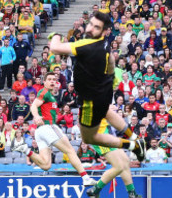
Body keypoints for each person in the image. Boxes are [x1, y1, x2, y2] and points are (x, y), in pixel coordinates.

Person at [48, 11, 145, 160]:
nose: (91, 29)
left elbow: (54, 48)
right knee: (106, 111)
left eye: (96, 27)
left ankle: (133, 145)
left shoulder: (86, 44)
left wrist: (55, 35)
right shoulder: (104, 42)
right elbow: (111, 60)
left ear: (104, 31)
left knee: (89, 139)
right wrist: (112, 78)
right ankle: (134, 137)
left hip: (90, 99)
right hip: (102, 90)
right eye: (91, 24)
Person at [25, 73, 96, 186]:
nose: (52, 81)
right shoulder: (44, 92)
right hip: (48, 127)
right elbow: (33, 106)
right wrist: (36, 116)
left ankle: (26, 150)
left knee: (46, 165)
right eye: (49, 79)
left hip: (40, 131)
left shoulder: (51, 96)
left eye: (54, 79)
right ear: (44, 82)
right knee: (70, 151)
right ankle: (85, 177)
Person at [86, 118, 150, 198]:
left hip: (106, 131)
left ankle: (132, 195)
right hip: (99, 135)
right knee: (119, 167)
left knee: (125, 161)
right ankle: (95, 190)